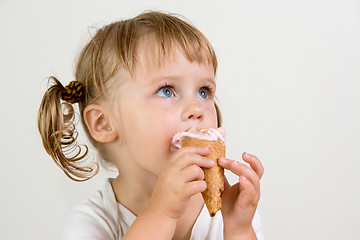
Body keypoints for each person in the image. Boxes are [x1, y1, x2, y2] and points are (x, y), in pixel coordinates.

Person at [38, 11, 265, 240]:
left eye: (204, 91)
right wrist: (161, 214)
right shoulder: (90, 223)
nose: (197, 108)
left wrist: (239, 230)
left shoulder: (228, 211)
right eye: (166, 90)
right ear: (104, 123)